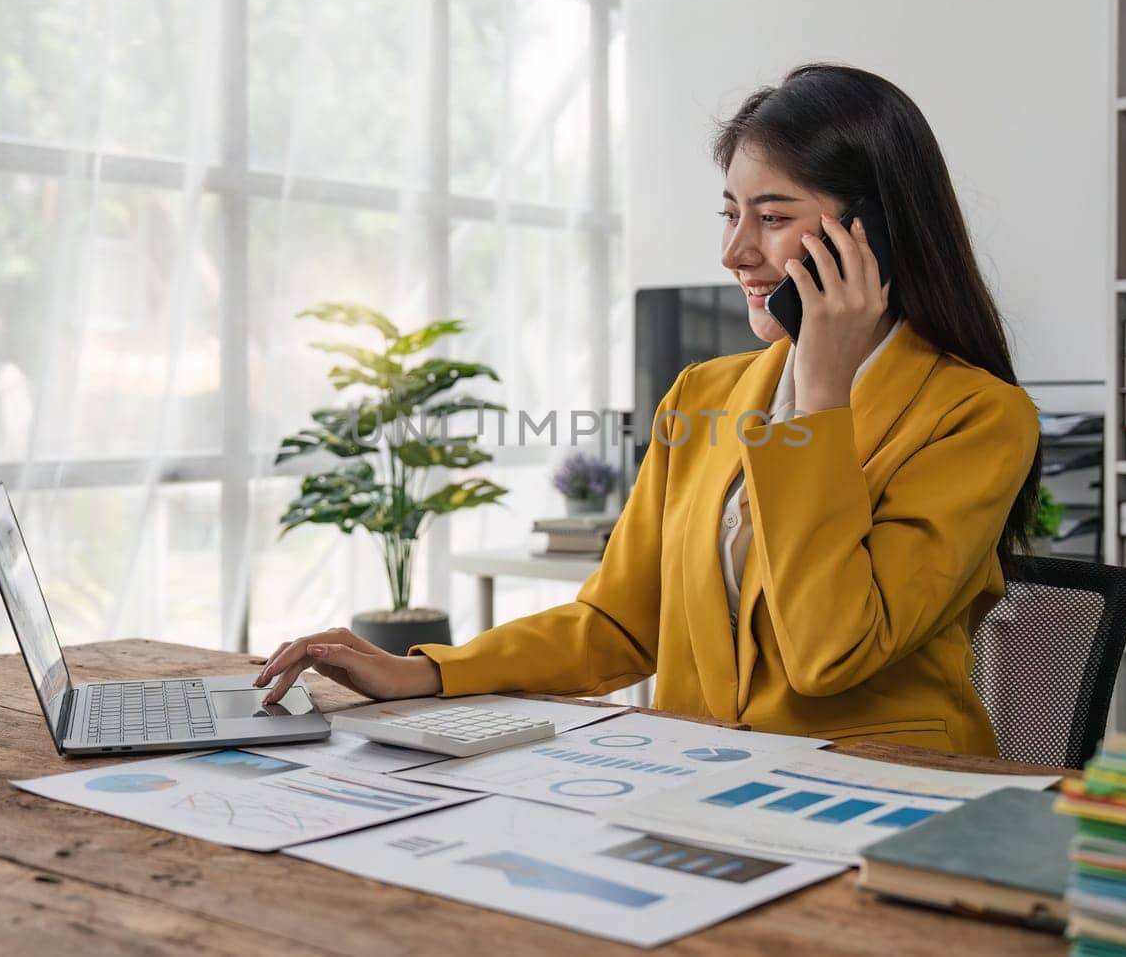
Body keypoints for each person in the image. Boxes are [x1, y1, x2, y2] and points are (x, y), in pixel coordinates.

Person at [255, 63, 1041, 755]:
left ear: (870, 237)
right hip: (699, 781)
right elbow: (619, 625)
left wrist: (822, 392)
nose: (735, 253)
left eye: (771, 218)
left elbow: (829, 651)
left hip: (885, 797)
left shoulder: (978, 418)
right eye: (729, 214)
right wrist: (424, 670)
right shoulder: (703, 395)